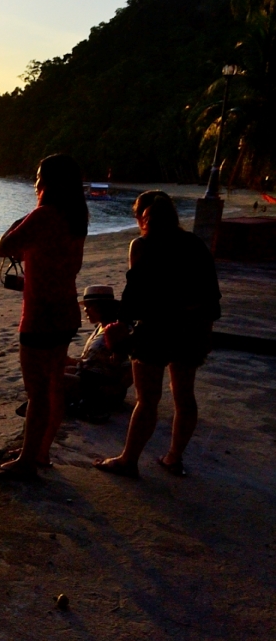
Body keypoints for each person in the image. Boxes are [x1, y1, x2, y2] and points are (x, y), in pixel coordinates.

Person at [94, 191, 221, 478]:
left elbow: (135, 293)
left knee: (147, 400)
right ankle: (174, 458)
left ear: (142, 217)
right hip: (192, 328)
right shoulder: (195, 244)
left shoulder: (142, 245)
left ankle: (129, 460)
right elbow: (212, 295)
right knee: (184, 396)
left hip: (157, 328)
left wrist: (121, 324)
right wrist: (206, 331)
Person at [0, 154, 88, 478]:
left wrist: (20, 222)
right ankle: (41, 452)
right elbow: (50, 261)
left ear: (49, 182)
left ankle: (25, 462)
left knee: (36, 392)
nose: (35, 182)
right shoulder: (77, 216)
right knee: (53, 387)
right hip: (66, 311)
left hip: (41, 316)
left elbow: (5, 247)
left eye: (39, 176)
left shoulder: (44, 215)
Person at [64, 285, 132, 422]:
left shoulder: (118, 331)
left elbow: (132, 363)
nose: (85, 310)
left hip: (103, 386)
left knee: (56, 380)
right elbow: (93, 362)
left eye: (89, 306)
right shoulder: (101, 327)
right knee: (55, 372)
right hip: (90, 377)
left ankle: (79, 405)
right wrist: (71, 361)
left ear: (101, 307)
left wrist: (119, 387)